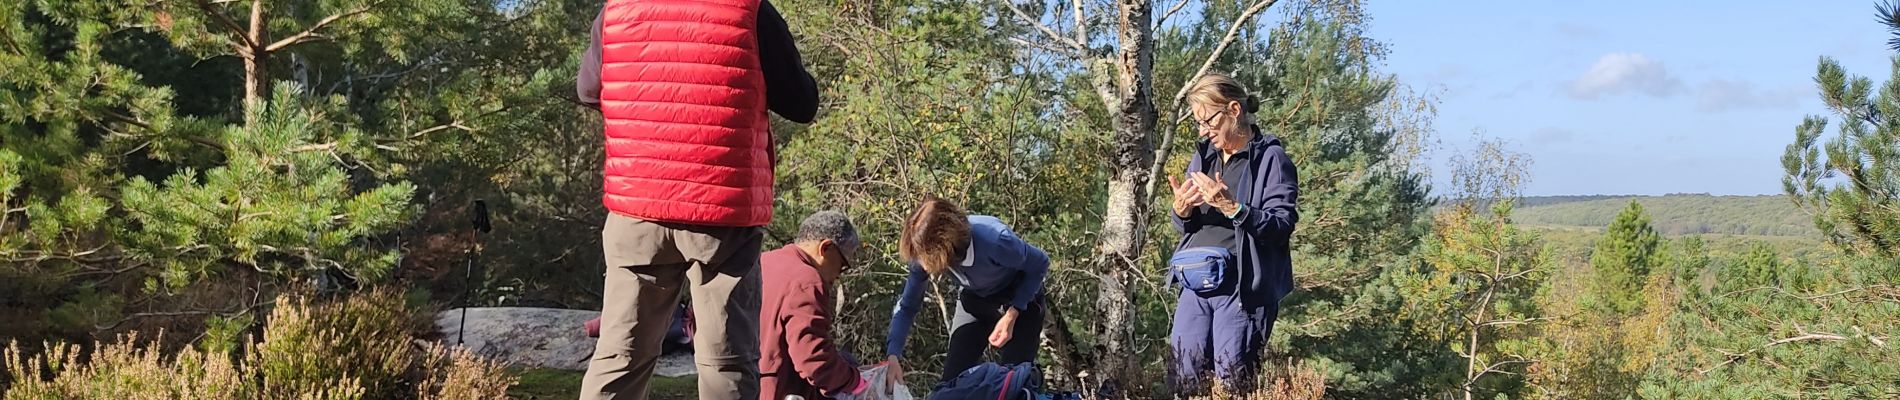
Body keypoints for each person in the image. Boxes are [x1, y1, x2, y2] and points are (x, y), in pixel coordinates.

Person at [574, 0, 819, 398]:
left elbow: (588, 90)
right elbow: (802, 103)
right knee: (727, 360)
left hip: (638, 203)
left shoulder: (617, 9)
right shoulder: (750, 10)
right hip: (723, 210)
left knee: (620, 354)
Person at [1164, 73, 1299, 393]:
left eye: (1208, 121)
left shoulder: (1270, 159)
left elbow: (1280, 226)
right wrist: (1181, 210)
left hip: (1242, 289)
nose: (1203, 130)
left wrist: (1232, 207)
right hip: (1195, 281)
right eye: (1198, 123)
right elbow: (1187, 224)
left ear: (1234, 109)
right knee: (1182, 378)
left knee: (1233, 381)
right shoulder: (1204, 157)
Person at [883, 196, 1049, 386]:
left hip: (1021, 300)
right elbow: (908, 305)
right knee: (950, 386)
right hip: (975, 301)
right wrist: (893, 354)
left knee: (1012, 385)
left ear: (945, 246)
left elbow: (1040, 264)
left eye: (925, 259)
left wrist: (1012, 313)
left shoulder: (996, 241)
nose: (922, 266)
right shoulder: (922, 256)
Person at [759, 211, 871, 400]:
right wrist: (855, 382)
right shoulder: (808, 280)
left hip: (750, 383)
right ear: (825, 248)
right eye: (842, 266)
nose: (838, 276)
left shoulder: (764, 260)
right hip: (781, 390)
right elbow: (814, 359)